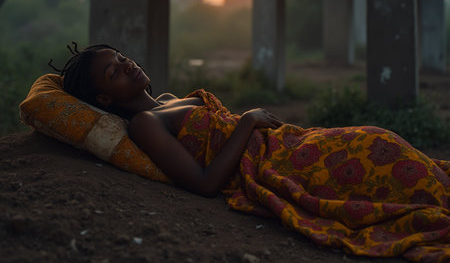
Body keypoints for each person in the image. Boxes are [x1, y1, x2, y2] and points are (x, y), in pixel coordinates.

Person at [55, 43, 450, 261]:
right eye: (115, 72)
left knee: (383, 145)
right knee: (392, 168)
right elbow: (205, 183)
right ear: (105, 96)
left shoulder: (169, 100)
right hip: (277, 165)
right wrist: (246, 121)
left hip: (293, 143)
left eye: (123, 59)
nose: (129, 66)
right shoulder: (145, 125)